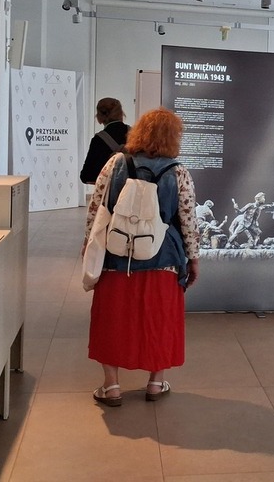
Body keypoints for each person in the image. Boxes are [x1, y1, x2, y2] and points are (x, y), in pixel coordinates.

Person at [83, 107, 199, 406]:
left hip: (116, 255)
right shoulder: (179, 172)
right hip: (164, 258)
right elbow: (188, 220)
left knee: (112, 319)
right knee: (159, 319)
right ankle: (155, 383)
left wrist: (88, 246)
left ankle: (111, 386)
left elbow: (96, 209)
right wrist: (193, 258)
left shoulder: (116, 162)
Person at [80, 97, 131, 184]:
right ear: (121, 114)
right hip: (132, 190)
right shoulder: (136, 135)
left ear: (99, 117)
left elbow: (86, 176)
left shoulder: (98, 140)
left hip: (111, 191)